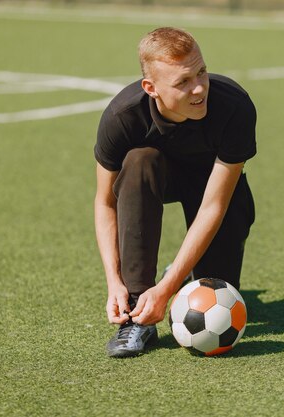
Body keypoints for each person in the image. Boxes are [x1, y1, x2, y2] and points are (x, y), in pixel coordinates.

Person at [94, 27, 257, 358]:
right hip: (155, 178)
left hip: (212, 186)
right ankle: (138, 313)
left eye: (201, 72)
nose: (199, 88)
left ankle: (175, 275)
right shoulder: (122, 117)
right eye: (183, 82)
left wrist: (168, 290)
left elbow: (214, 205)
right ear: (151, 88)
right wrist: (116, 282)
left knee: (218, 290)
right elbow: (104, 202)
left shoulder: (234, 107)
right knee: (140, 160)